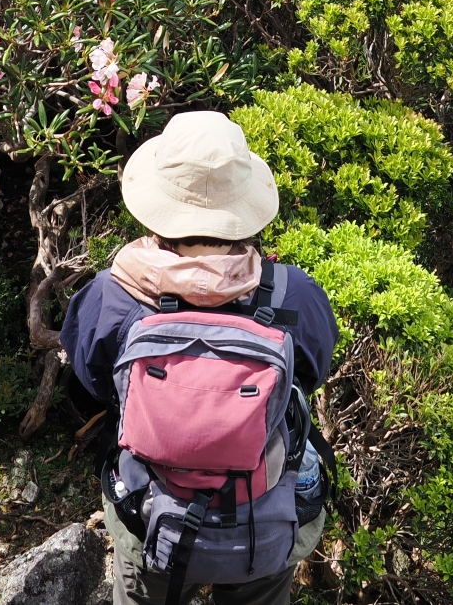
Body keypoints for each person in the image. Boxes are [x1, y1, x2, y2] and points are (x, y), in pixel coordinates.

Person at [61, 111, 340, 605]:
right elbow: (311, 375)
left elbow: (87, 387)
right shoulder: (294, 296)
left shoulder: (113, 297)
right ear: (243, 204)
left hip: (151, 511)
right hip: (264, 515)